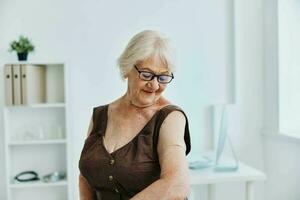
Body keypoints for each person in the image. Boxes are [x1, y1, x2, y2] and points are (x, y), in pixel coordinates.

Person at [78, 30, 191, 200]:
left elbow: (177, 185)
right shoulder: (100, 115)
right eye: (146, 74)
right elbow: (86, 175)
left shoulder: (170, 118)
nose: (154, 85)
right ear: (126, 68)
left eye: (163, 77)